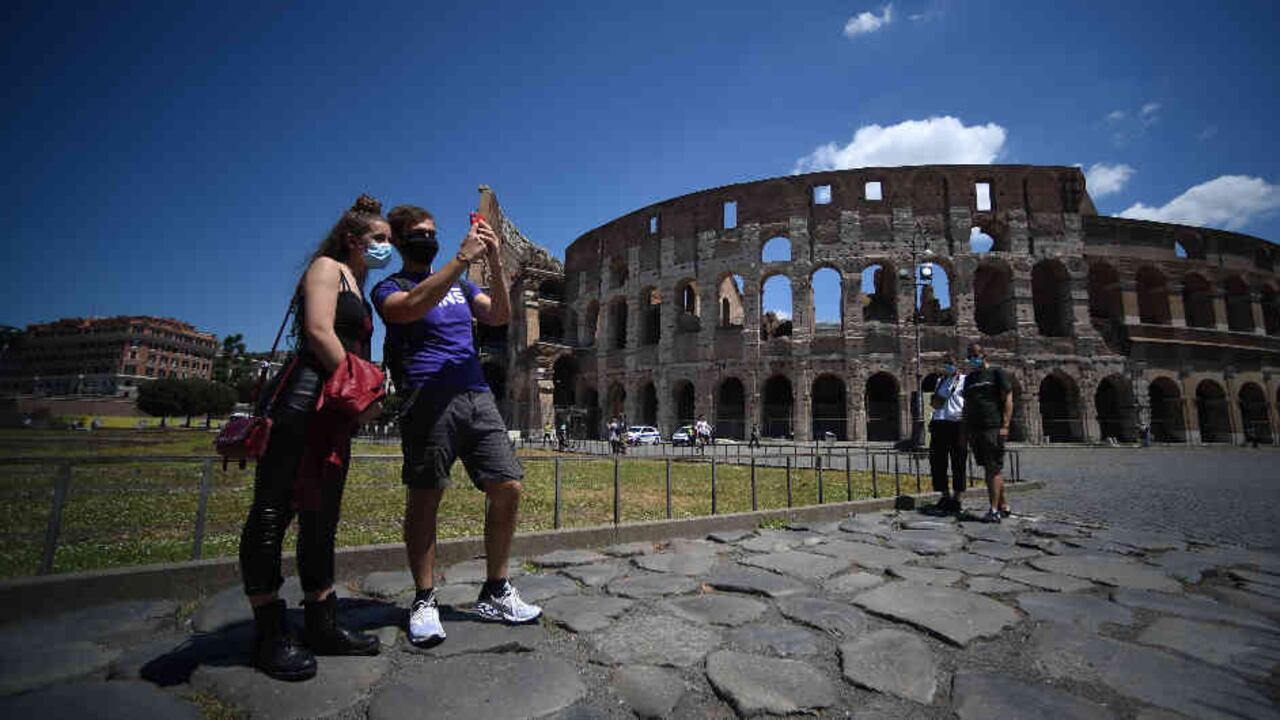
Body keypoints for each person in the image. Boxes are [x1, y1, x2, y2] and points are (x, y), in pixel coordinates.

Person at [373, 204, 539, 648]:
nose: (428, 238)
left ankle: (496, 589)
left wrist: (496, 260)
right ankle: (424, 598)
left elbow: (500, 316)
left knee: (508, 486)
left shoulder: (463, 289)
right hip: (426, 396)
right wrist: (462, 258)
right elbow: (407, 309)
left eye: (432, 232)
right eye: (419, 234)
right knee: (427, 495)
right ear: (400, 241)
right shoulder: (390, 286)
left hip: (476, 394)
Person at [238, 195, 389, 682]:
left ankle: (321, 620)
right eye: (379, 239)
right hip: (305, 398)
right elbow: (319, 331)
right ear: (352, 240)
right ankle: (268, 631)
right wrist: (363, 389)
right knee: (272, 511)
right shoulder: (326, 267)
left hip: (334, 407)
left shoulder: (359, 283)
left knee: (322, 515)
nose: (386, 247)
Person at [960, 342, 1013, 523]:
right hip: (975, 428)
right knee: (989, 467)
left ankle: (993, 510)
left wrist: (1005, 425)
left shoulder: (997, 373)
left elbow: (1008, 399)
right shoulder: (970, 379)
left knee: (993, 468)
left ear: (984, 355)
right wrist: (965, 428)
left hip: (992, 426)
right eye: (970, 356)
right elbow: (966, 405)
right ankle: (1004, 505)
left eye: (975, 355)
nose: (972, 359)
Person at [925, 355, 967, 516]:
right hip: (939, 422)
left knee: (958, 461)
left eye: (951, 363)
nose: (948, 366)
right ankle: (944, 495)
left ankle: (957, 498)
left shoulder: (965, 380)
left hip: (956, 423)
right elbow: (935, 403)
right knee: (937, 462)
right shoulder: (940, 381)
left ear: (958, 364)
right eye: (946, 363)